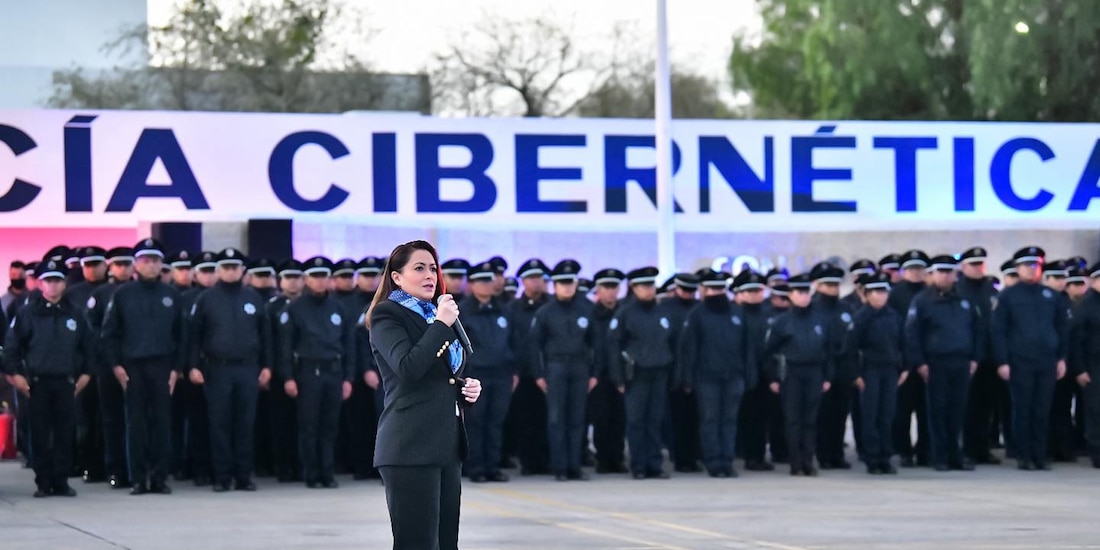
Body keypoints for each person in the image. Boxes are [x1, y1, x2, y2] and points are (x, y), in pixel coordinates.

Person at [367, 240, 481, 550]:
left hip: (445, 446)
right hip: (410, 447)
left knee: (446, 544)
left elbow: (439, 375)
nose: (430, 275)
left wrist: (464, 386)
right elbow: (408, 368)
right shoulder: (387, 315)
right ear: (397, 277)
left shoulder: (433, 314)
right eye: (419, 268)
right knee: (417, 543)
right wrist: (442, 324)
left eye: (433, 268)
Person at [100, 238, 185, 495]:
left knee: (162, 423)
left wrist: (176, 369)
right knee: (135, 424)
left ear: (161, 265)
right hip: (133, 366)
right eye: (146, 260)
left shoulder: (171, 295)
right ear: (137, 264)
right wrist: (116, 366)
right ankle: (137, 478)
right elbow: (109, 334)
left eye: (156, 261)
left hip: (162, 366)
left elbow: (182, 335)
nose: (151, 265)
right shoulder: (123, 294)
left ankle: (159, 478)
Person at [3, 259, 92, 498]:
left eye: (57, 281)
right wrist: (15, 375)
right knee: (39, 433)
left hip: (66, 382)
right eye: (48, 281)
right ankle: (43, 481)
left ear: (64, 283)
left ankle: (61, 480)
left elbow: (88, 347)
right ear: (41, 284)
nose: (53, 286)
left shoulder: (75, 313)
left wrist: (86, 374)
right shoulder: (27, 313)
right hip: (36, 383)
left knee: (65, 432)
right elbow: (12, 347)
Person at [187, 248, 272, 492]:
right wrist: (193, 365)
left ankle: (243, 475)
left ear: (242, 270)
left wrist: (267, 366)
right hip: (217, 369)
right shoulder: (206, 298)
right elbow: (194, 335)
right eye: (226, 267)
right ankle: (222, 476)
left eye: (235, 267)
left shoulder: (253, 297)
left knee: (245, 423)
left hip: (248, 369)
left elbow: (265, 335)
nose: (231, 271)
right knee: (219, 423)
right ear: (219, 270)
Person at [278, 256, 355, 488]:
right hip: (308, 371)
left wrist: (348, 378)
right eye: (315, 276)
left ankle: (327, 472)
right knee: (309, 425)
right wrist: (289, 376)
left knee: (330, 425)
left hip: (334, 370)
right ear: (306, 279)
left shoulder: (338, 308)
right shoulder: (295, 308)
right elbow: (286, 345)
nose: (320, 281)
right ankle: (311, 473)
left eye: (323, 276)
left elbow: (348, 344)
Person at [992, 246, 1070, 471]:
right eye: (1027, 265)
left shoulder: (1051, 295)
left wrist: (1061, 358)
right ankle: (1023, 454)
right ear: (1017, 268)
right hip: (1020, 360)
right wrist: (1003, 361)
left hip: (1047, 360)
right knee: (1022, 408)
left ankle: (1039, 454)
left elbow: (1061, 328)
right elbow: (999, 330)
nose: (1032, 269)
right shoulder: (1008, 296)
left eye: (1035, 265)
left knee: (1042, 408)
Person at [906, 256, 982, 472]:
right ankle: (939, 456)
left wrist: (975, 358)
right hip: (935, 362)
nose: (946, 275)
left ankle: (955, 455)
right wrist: (920, 363)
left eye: (949, 271)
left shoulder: (964, 300)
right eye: (941, 271)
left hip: (961, 361)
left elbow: (977, 330)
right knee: (937, 410)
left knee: (958, 410)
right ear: (932, 274)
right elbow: (912, 334)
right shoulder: (922, 301)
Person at [679, 270, 755, 478]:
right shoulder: (697, 314)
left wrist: (749, 375)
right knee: (710, 420)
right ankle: (713, 461)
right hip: (707, 377)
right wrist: (687, 377)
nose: (716, 293)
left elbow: (747, 347)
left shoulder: (737, 313)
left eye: (719, 288)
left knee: (729, 420)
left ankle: (726, 461)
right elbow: (689, 348)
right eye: (713, 289)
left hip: (733, 376)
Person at [764, 273, 841, 476]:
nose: (804, 297)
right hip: (791, 372)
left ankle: (808, 460)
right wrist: (773, 378)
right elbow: (769, 352)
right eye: (799, 292)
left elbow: (829, 351)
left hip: (815, 372)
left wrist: (827, 377)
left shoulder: (820, 320)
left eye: (807, 292)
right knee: (792, 419)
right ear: (790, 295)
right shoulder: (782, 322)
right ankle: (795, 461)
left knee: (810, 419)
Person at [531, 259, 597, 482]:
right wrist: (539, 374)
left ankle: (574, 466)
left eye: (570, 283)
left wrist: (594, 373)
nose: (567, 287)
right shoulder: (545, 312)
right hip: (555, 367)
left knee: (578, 419)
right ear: (554, 286)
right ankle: (559, 467)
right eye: (562, 283)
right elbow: (534, 345)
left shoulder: (587, 309)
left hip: (580, 367)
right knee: (557, 419)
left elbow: (597, 343)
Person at [609, 267, 677, 480]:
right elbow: (613, 346)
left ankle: (654, 464)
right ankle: (638, 464)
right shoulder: (625, 313)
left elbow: (672, 343)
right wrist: (618, 377)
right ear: (634, 288)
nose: (649, 290)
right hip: (636, 374)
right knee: (637, 421)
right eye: (644, 287)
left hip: (659, 372)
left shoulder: (662, 311)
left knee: (655, 420)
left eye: (651, 286)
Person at [458, 261, 515, 483]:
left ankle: (493, 466)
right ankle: (476, 467)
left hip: (501, 374)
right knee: (475, 422)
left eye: (489, 280)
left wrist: (513, 369)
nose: (487, 285)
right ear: (471, 284)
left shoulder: (504, 309)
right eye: (481, 281)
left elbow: (514, 341)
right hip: (475, 374)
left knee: (496, 421)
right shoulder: (463, 311)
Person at [86, 247, 135, 489]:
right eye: (118, 264)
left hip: (136, 364)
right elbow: (91, 331)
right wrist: (107, 357)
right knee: (111, 419)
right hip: (108, 367)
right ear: (110, 267)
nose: (123, 268)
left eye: (127, 264)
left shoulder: (141, 292)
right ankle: (115, 468)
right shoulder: (101, 293)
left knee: (139, 419)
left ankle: (137, 468)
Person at [852, 272, 904, 474]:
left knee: (887, 414)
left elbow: (902, 343)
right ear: (867, 294)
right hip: (869, 370)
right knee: (870, 415)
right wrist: (856, 374)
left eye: (884, 291)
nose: (881, 296)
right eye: (876, 292)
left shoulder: (893, 316)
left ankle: (885, 456)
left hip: (890, 370)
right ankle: (872, 458)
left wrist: (904, 368)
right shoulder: (861, 317)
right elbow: (851, 348)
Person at [955, 246, 1003, 465]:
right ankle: (966, 448)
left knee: (987, 405)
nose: (978, 268)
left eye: (980, 264)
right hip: (968, 357)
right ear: (963, 266)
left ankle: (982, 447)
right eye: (973, 264)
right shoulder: (958, 290)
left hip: (990, 357)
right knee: (967, 405)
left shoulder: (990, 290)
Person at [507, 259, 552, 476]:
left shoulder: (552, 306)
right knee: (524, 419)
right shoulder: (513, 309)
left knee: (547, 418)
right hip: (523, 374)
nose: (536, 283)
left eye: (540, 279)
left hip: (548, 373)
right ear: (523, 281)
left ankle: (546, 460)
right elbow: (510, 341)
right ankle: (528, 462)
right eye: (531, 279)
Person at [891, 250, 931, 467]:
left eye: (919, 269)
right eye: (911, 269)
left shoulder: (930, 293)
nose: (915, 273)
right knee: (902, 410)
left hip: (927, 360)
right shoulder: (895, 294)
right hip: (904, 361)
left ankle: (925, 450)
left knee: (926, 410)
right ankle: (904, 450)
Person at [267, 259, 305, 482]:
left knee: (304, 423)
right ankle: (282, 467)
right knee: (280, 423)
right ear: (280, 281)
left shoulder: (308, 305)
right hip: (279, 374)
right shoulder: (272, 306)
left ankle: (301, 466)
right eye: (288, 277)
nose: (292, 282)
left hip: (305, 373)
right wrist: (270, 369)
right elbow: (269, 342)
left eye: (296, 277)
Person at [589, 268, 628, 474]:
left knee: (619, 418)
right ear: (598, 290)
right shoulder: (591, 314)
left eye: (614, 287)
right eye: (607, 287)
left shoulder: (624, 313)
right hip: (599, 374)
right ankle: (603, 458)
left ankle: (618, 457)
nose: (611, 292)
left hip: (621, 373)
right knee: (601, 417)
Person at [1071, 263, 1100, 468]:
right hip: (1093, 365)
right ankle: (1097, 452)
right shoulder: (1085, 305)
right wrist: (1080, 369)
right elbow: (1076, 341)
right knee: (1095, 410)